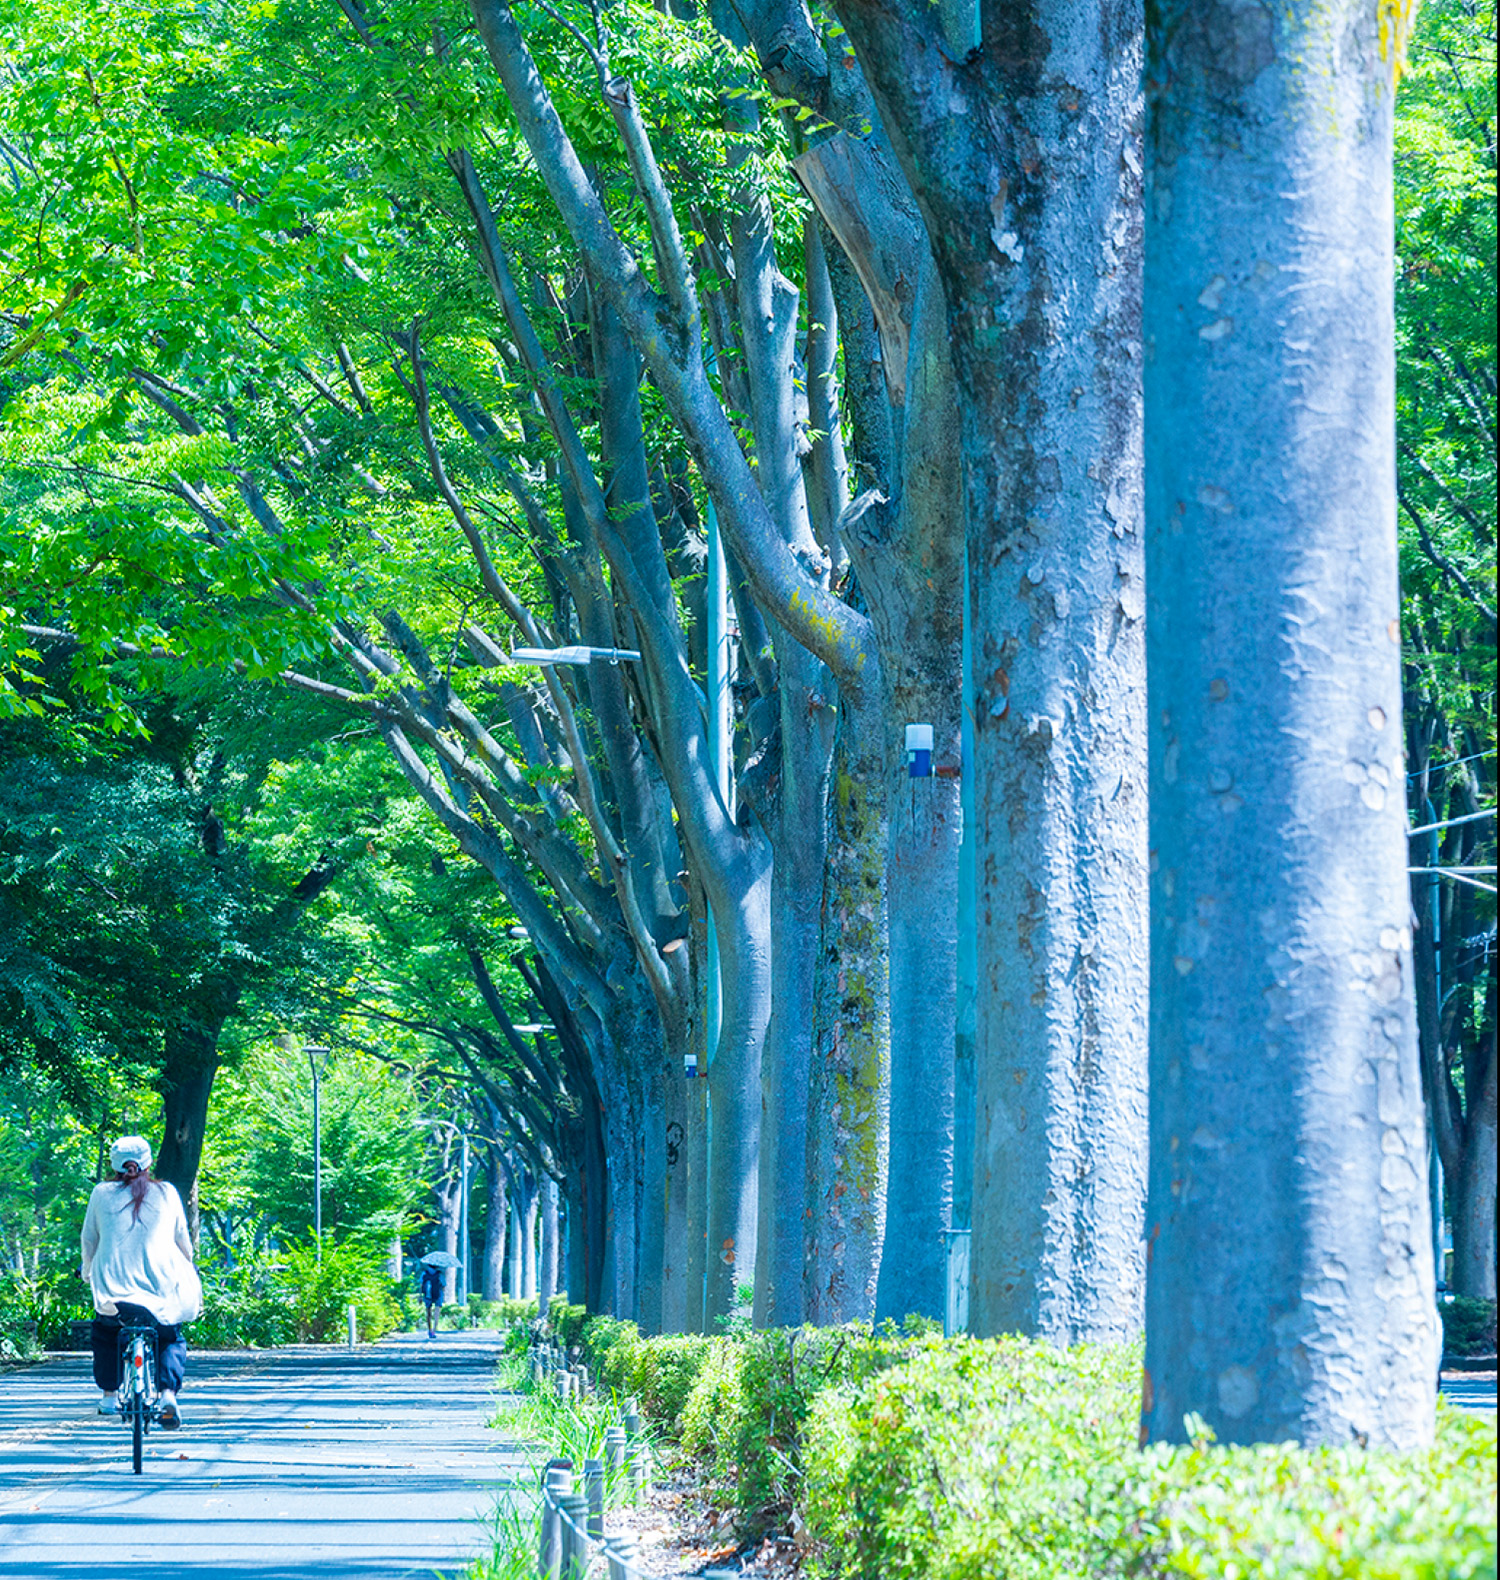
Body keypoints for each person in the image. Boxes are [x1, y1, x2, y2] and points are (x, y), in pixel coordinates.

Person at [80, 1136, 202, 1429]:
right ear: (148, 1163)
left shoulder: (101, 1193)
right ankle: (168, 1395)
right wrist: (189, 1268)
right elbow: (183, 1243)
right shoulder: (167, 1193)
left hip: (114, 1291)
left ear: (114, 1164)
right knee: (169, 1335)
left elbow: (89, 1241)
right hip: (160, 1290)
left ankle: (110, 1395)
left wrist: (87, 1272)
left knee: (107, 1333)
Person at [419, 1262, 444, 1339]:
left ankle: (429, 1330)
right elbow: (443, 1285)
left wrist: (420, 1296)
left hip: (427, 1295)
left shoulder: (424, 1273)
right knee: (436, 1314)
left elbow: (421, 1285)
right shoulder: (440, 1274)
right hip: (438, 1295)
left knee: (428, 1313)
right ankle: (434, 1330)